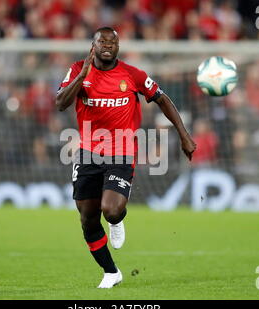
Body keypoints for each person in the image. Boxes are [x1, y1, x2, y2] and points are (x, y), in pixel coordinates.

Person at [55, 27, 196, 288]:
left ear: (118, 47)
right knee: (87, 217)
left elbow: (162, 99)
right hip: (88, 152)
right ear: (93, 46)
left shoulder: (132, 74)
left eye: (113, 42)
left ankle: (116, 220)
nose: (108, 45)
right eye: (102, 41)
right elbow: (61, 102)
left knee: (110, 209)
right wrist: (83, 75)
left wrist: (183, 135)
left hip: (121, 150)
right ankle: (111, 272)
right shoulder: (77, 70)